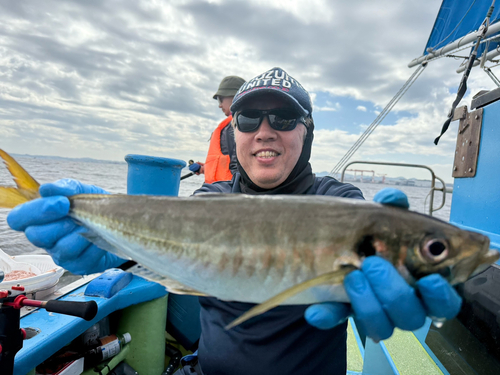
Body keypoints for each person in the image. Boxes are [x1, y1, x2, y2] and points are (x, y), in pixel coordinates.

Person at [7, 67, 462, 375]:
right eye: (248, 118)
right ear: (235, 134)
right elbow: (166, 240)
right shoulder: (211, 198)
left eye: (284, 117)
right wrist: (104, 238)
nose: (265, 129)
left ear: (306, 133)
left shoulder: (339, 203)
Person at [189, 75, 246, 183]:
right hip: (218, 190)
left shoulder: (235, 127)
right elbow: (228, 162)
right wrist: (205, 168)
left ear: (235, 97)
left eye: (220, 99)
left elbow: (239, 167)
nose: (219, 106)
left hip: (224, 194)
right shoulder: (227, 127)